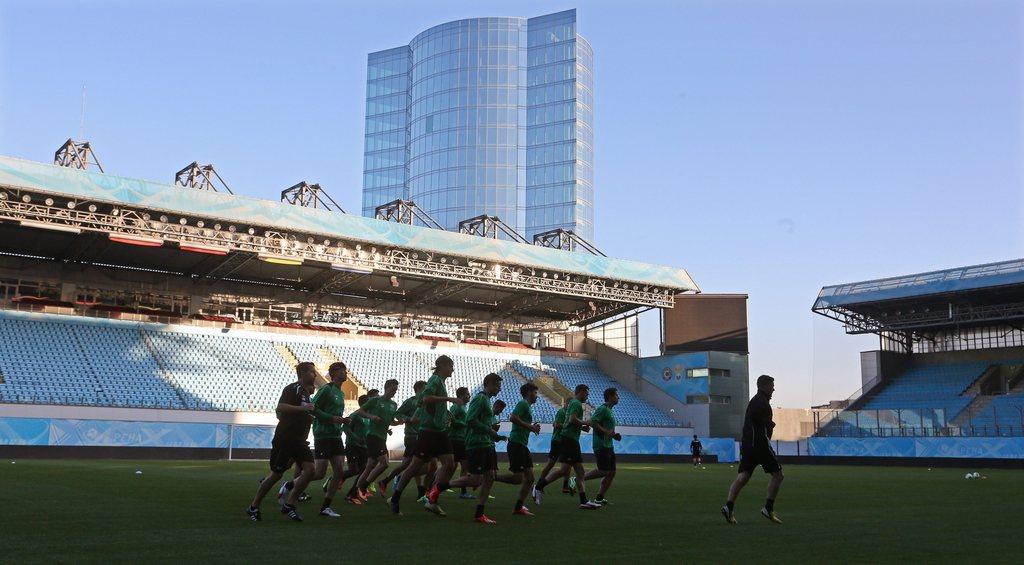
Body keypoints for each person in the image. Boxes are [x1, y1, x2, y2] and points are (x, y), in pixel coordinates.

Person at [389, 355, 464, 517]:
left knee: (450, 464)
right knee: (415, 466)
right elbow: (426, 398)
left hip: (440, 431)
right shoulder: (435, 380)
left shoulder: (441, 382)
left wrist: (445, 414)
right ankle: (395, 497)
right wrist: (449, 399)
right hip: (428, 431)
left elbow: (428, 403)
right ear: (443, 366)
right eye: (451, 366)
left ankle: (432, 498)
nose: (453, 369)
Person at [246, 362, 318, 522]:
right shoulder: (293, 388)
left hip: (299, 441)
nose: (315, 375)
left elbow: (301, 411)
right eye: (312, 372)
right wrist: (302, 409)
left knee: (311, 470)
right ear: (304, 373)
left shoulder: (305, 393)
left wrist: (309, 417)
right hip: (285, 438)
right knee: (276, 474)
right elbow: (281, 407)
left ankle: (289, 503)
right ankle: (253, 506)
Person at [722, 374, 783, 525]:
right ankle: (768, 508)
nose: (773, 389)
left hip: (748, 445)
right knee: (778, 475)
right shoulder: (761, 402)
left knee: (744, 476)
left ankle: (728, 506)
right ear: (764, 386)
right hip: (759, 445)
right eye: (771, 386)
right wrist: (769, 425)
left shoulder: (756, 402)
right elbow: (759, 423)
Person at [448, 373, 507, 524]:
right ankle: (440, 486)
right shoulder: (480, 398)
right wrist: (489, 430)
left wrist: (495, 435)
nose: (499, 389)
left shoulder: (486, 400)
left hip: (486, 443)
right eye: (497, 386)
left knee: (490, 477)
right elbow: (470, 420)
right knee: (476, 479)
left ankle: (479, 514)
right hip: (477, 443)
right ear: (489, 384)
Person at [531, 384, 601, 510]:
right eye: (586, 393)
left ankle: (583, 501)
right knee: (574, 471)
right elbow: (573, 420)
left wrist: (582, 426)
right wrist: (587, 422)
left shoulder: (574, 404)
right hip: (570, 440)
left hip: (568, 439)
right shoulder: (576, 404)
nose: (587, 396)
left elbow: (571, 422)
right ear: (580, 392)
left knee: (573, 471)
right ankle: (538, 487)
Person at [377, 381, 427, 497]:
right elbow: (398, 414)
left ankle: (387, 481)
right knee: (425, 465)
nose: (426, 390)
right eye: (425, 388)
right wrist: (409, 419)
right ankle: (409, 482)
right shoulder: (410, 401)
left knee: (409, 465)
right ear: (418, 389)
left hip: (421, 436)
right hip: (412, 436)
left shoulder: (425, 402)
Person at [353, 379, 401, 498]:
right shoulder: (375, 400)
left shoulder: (393, 405)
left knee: (369, 467)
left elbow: (390, 422)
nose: (395, 392)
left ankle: (354, 493)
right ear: (386, 388)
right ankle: (364, 485)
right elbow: (360, 411)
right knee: (384, 463)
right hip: (373, 436)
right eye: (393, 389)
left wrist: (398, 423)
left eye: (396, 389)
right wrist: (372, 416)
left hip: (382, 437)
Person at [503, 382, 542, 516]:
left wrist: (532, 427)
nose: (537, 396)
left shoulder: (528, 406)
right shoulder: (523, 404)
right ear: (528, 393)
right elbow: (512, 418)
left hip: (522, 445)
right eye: (535, 393)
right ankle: (491, 476)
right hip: (516, 444)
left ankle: (518, 507)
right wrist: (531, 427)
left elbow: (521, 423)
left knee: (530, 478)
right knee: (517, 479)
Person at [583, 387, 621, 506]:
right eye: (616, 395)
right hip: (601, 444)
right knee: (604, 471)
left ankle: (599, 498)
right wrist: (606, 432)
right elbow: (593, 421)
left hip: (609, 445)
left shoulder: (610, 410)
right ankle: (579, 479)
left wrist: (614, 436)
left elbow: (607, 430)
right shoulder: (603, 409)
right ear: (610, 396)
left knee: (612, 472)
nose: (618, 397)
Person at [534, 396, 572, 501]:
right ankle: (539, 484)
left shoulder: (570, 414)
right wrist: (567, 425)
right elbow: (556, 424)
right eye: (569, 404)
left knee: (568, 464)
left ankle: (565, 485)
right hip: (557, 441)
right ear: (566, 404)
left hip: (566, 441)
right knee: (550, 464)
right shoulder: (562, 412)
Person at [448, 386, 475, 499]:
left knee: (452, 466)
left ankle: (435, 486)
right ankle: (462, 492)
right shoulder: (457, 406)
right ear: (461, 396)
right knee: (463, 465)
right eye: (467, 394)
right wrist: (464, 424)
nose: (469, 396)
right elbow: (450, 420)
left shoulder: (464, 407)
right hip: (456, 439)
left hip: (462, 439)